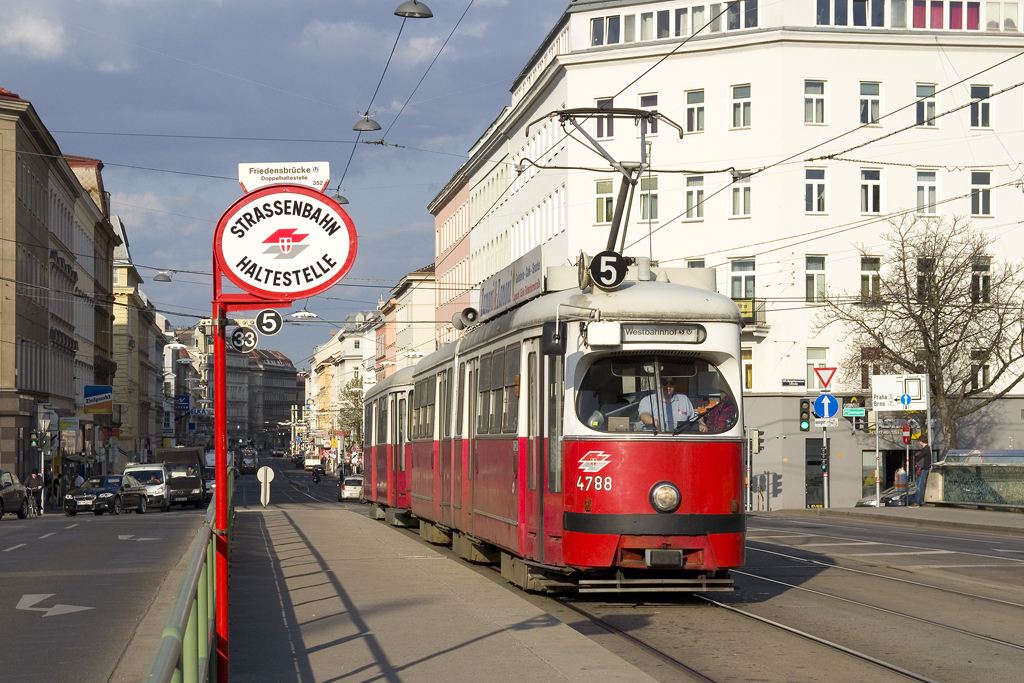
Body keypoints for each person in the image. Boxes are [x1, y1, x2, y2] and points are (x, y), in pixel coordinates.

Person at [909, 438, 932, 507]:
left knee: (920, 486)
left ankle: (917, 502)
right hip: (922, 469)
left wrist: (917, 458)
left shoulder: (925, 449)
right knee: (918, 486)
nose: (919, 442)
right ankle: (917, 501)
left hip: (923, 469)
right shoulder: (926, 449)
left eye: (919, 441)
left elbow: (919, 457)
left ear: (922, 441)